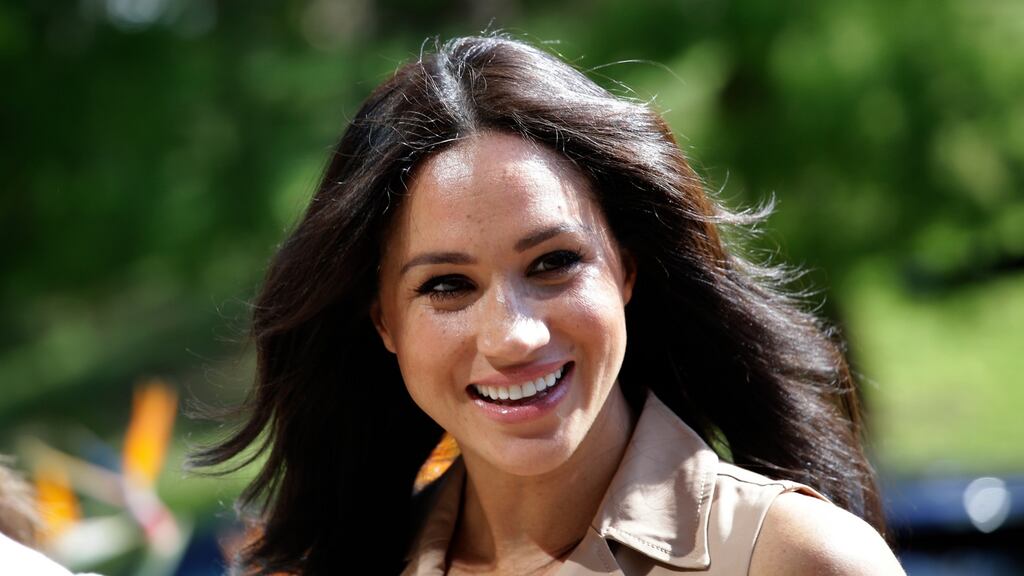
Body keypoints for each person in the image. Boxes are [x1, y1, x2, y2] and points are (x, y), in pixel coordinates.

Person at [191, 34, 906, 575]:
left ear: (625, 270)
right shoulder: (350, 565)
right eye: (447, 286)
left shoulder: (794, 558)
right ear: (384, 323)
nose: (513, 335)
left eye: (554, 263)